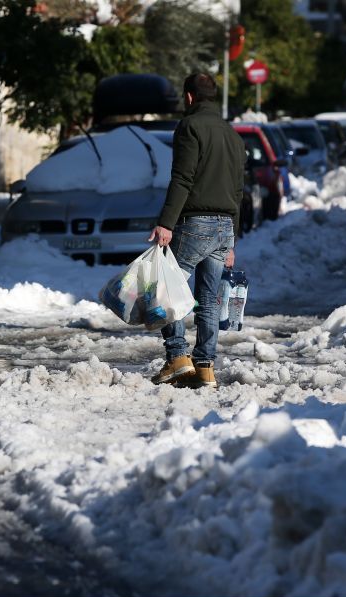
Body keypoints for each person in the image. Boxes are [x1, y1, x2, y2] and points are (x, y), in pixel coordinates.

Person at [147, 73, 245, 389]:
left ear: (189, 97)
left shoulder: (190, 127)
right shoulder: (233, 134)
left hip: (195, 224)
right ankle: (205, 367)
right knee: (209, 299)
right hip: (224, 227)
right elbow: (239, 190)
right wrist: (233, 238)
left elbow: (182, 179)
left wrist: (166, 222)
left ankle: (177, 357)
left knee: (167, 289)